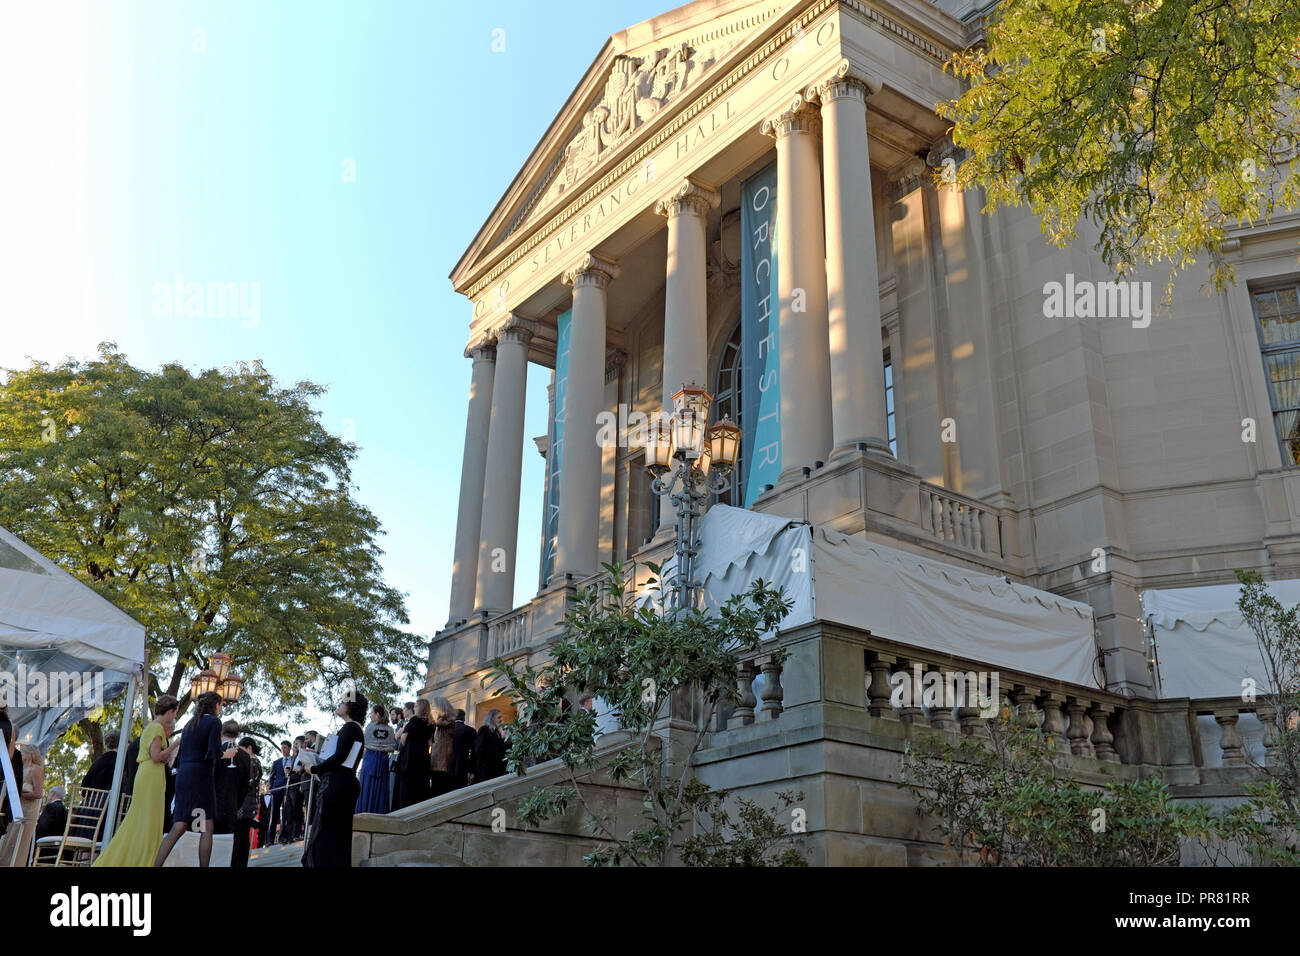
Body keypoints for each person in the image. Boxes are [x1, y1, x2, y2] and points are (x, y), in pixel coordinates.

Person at [92, 696, 181, 867]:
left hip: (148, 775)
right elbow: (156, 756)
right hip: (150, 777)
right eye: (174, 713)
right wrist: (175, 744)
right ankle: (141, 859)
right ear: (169, 712)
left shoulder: (150, 728)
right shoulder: (157, 728)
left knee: (141, 820)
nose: (174, 717)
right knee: (148, 821)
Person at [155, 690, 223, 867]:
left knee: (180, 824)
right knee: (206, 827)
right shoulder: (214, 722)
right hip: (201, 776)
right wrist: (226, 754)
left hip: (183, 775)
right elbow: (213, 752)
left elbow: (180, 756)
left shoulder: (189, 724)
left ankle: (155, 864)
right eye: (220, 705)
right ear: (215, 705)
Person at [303, 690, 366, 867]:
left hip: (339, 785)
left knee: (328, 833)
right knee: (335, 835)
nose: (339, 705)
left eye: (342, 702)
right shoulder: (354, 729)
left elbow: (340, 757)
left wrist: (314, 767)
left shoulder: (351, 728)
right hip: (344, 783)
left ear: (350, 706)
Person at [214, 721, 252, 853]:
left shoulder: (216, 751)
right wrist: (236, 804)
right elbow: (245, 785)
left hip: (212, 803)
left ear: (221, 732)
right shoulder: (245, 756)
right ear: (237, 735)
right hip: (232, 805)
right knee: (227, 844)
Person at [356, 706, 395, 814]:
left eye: (371, 713)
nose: (370, 715)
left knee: (367, 787)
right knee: (380, 788)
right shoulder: (390, 729)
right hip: (383, 759)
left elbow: (365, 743)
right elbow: (393, 746)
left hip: (370, 757)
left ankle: (364, 811)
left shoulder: (369, 727)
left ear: (377, 714)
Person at [395, 699, 431, 809]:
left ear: (419, 708)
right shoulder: (430, 723)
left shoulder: (414, 720)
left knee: (406, 791)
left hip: (410, 758)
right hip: (423, 758)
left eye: (416, 706)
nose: (414, 708)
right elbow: (430, 743)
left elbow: (403, 739)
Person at [233, 738, 261, 868]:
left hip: (245, 804)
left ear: (249, 748)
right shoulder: (255, 762)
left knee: (240, 836)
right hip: (249, 804)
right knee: (242, 836)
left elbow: (247, 783)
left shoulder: (252, 763)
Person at [264, 740, 292, 845]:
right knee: (273, 814)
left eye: (285, 747)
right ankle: (270, 839)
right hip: (276, 789)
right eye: (282, 748)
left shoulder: (293, 760)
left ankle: (283, 836)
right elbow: (271, 777)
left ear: (289, 748)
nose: (283, 750)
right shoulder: (276, 762)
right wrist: (271, 787)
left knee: (285, 813)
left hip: (288, 788)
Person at [280, 736, 305, 843]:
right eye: (294, 744)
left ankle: (296, 833)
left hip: (297, 784)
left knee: (296, 810)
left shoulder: (303, 756)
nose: (294, 746)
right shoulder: (294, 757)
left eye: (296, 744)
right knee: (289, 811)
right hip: (290, 785)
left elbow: (302, 771)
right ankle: (288, 835)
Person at [429, 698, 456, 798]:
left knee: (440, 788)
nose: (434, 710)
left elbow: (440, 723)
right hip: (437, 758)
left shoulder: (447, 720)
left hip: (442, 758)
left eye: (435, 707)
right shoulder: (443, 720)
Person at [474, 710, 508, 783]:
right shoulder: (484, 730)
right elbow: (479, 749)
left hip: (500, 771)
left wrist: (505, 739)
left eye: (501, 717)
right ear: (492, 718)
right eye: (499, 717)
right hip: (488, 771)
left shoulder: (500, 732)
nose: (501, 720)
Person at [450, 709, 476, 790]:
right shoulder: (471, 730)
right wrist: (472, 770)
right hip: (464, 767)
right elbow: (474, 752)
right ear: (464, 718)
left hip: (449, 767)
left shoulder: (448, 730)